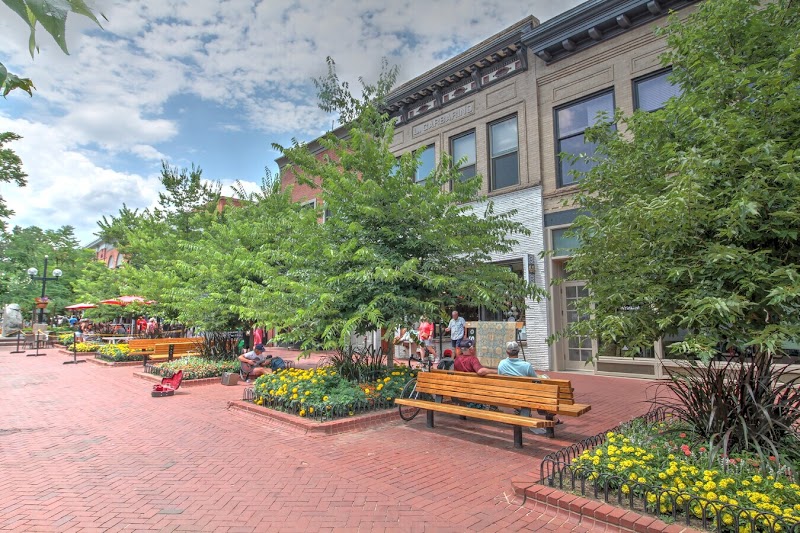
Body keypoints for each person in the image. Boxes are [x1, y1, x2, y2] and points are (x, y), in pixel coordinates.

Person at [498, 341, 556, 434]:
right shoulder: (526, 365)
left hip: (508, 395)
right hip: (525, 396)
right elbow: (536, 380)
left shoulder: (502, 364)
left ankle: (533, 414)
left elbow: (500, 378)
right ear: (519, 351)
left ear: (507, 352)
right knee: (542, 387)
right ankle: (546, 414)